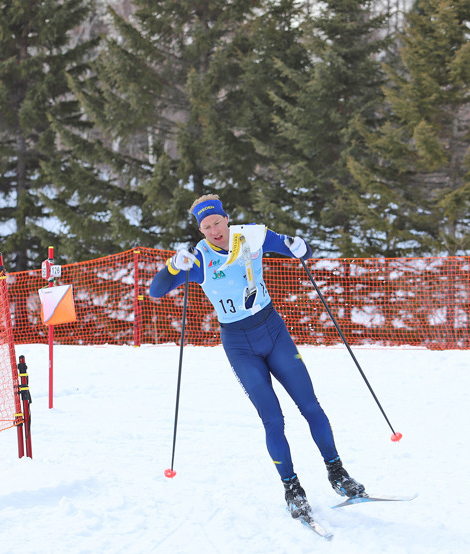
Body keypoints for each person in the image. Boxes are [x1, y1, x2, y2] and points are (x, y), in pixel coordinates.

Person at [148, 194, 366, 519]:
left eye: (217, 223)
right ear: (200, 229)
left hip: (274, 332)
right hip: (239, 345)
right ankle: (292, 488)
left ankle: (338, 473)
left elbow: (299, 250)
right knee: (273, 419)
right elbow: (156, 291)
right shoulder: (199, 258)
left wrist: (300, 245)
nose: (214, 231)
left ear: (226, 219)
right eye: (206, 227)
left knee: (310, 406)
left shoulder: (250, 236)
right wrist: (171, 266)